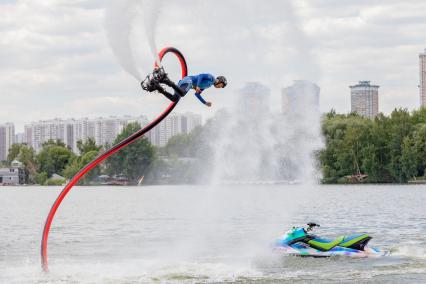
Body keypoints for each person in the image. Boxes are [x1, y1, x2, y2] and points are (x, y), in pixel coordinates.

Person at [141, 67, 227, 106]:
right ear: (219, 80)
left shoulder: (208, 85)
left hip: (184, 85)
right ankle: (166, 80)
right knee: (182, 94)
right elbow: (201, 76)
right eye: (221, 85)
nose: (219, 87)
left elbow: (197, 94)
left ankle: (157, 87)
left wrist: (204, 102)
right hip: (188, 80)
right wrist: (197, 86)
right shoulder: (211, 78)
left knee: (174, 99)